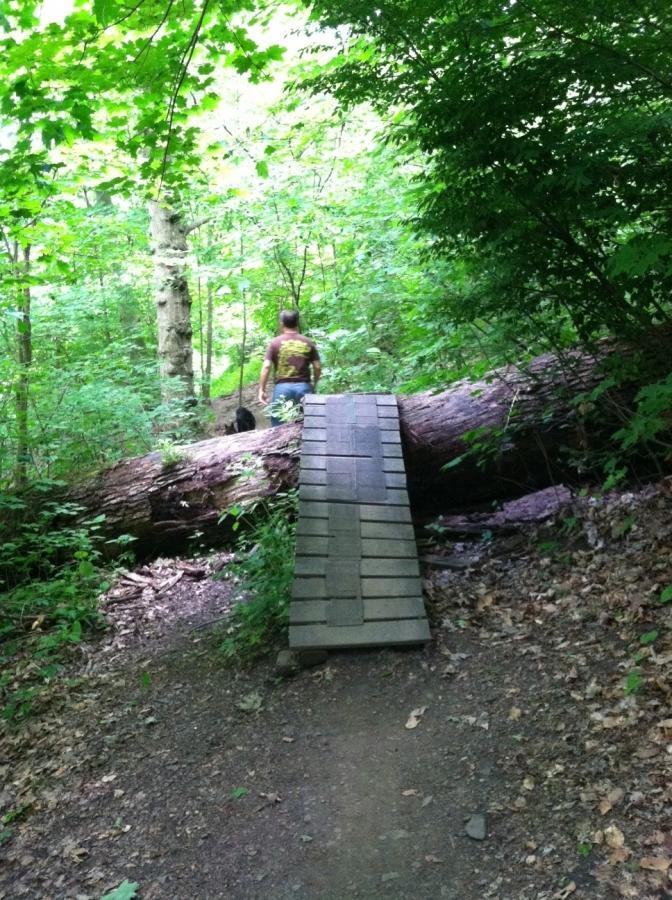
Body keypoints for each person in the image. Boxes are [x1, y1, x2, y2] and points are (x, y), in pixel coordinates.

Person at [258, 309, 321, 426]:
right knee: (309, 425)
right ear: (297, 323)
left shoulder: (275, 343)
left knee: (278, 428)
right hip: (304, 388)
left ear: (282, 323)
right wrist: (314, 384)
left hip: (282, 389)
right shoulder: (308, 342)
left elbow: (266, 366)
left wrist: (262, 389)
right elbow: (317, 367)